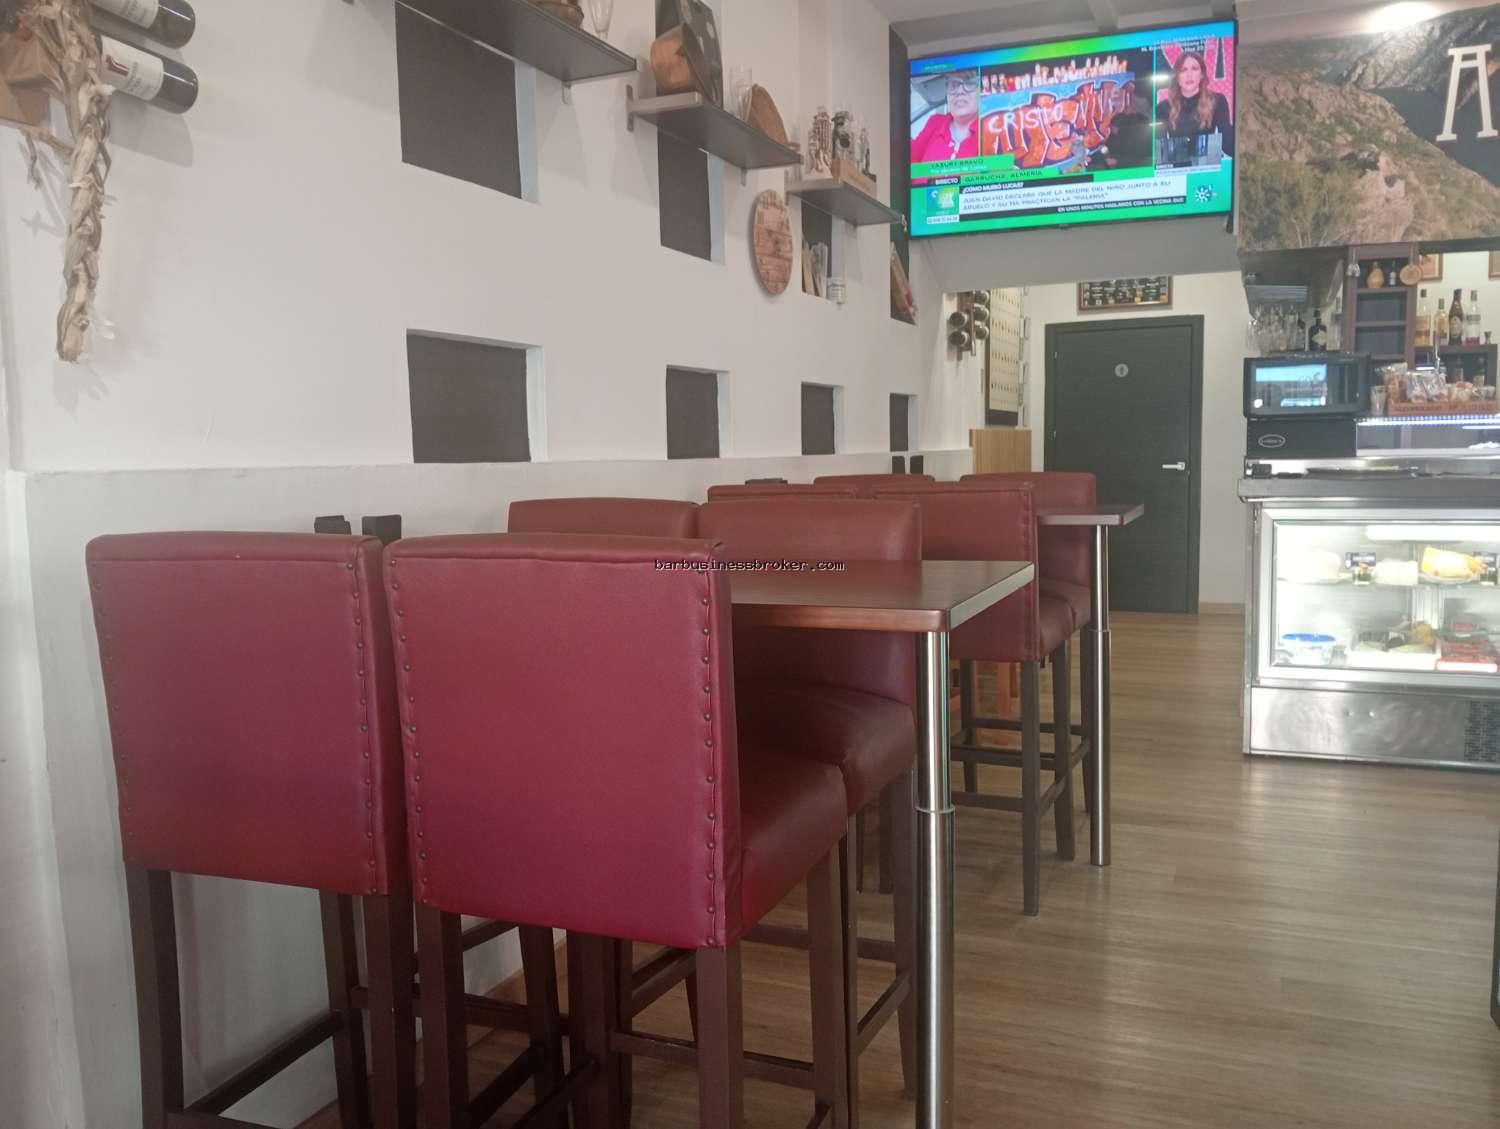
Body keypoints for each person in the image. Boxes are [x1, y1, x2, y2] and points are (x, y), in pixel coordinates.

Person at [1162, 49, 1233, 158]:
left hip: (1208, 164)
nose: (1189, 75)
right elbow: (1160, 153)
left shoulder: (1217, 100)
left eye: (1194, 69)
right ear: (1177, 77)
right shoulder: (1163, 107)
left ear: (1202, 75)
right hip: (1176, 166)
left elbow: (1227, 144)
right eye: (1183, 70)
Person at [911, 69, 981, 162]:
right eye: (953, 85)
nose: (959, 91)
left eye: (969, 83)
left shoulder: (989, 128)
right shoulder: (935, 122)